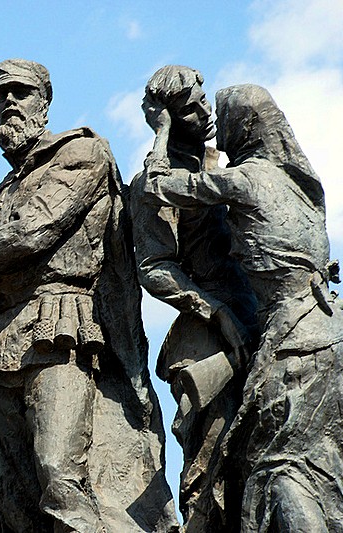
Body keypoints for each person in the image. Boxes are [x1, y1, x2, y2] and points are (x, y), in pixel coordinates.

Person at [0, 59, 178, 532]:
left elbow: (32, 233)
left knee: (59, 474)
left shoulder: (81, 152)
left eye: (20, 93)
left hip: (57, 328)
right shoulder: (2, 190)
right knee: (10, 496)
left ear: (44, 102)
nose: (8, 102)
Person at [143, 84, 343, 532]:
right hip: (330, 330)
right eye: (191, 109)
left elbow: (158, 183)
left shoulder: (245, 177)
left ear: (245, 126)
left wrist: (158, 132)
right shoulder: (300, 182)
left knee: (283, 471)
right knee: (327, 474)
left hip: (291, 342)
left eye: (218, 111)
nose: (211, 118)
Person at [129, 65, 259, 531]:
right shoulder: (150, 185)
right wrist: (214, 310)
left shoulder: (221, 165)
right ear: (163, 117)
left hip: (260, 314)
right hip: (209, 334)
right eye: (187, 108)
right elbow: (153, 268)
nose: (204, 112)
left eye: (203, 99)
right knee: (211, 463)